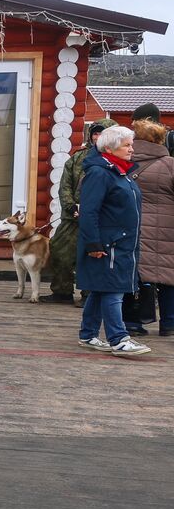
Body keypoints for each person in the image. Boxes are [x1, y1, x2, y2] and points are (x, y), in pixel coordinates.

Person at [75, 125, 149, 356]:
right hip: (109, 243)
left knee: (100, 288)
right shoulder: (100, 173)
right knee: (113, 290)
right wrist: (93, 243)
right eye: (126, 145)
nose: (131, 149)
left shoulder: (119, 171)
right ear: (109, 148)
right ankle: (119, 338)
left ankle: (88, 334)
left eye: (131, 144)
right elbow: (88, 211)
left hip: (122, 241)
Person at [42, 119, 116, 303]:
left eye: (102, 134)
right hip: (72, 218)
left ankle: (89, 296)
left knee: (93, 257)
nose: (97, 137)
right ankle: (61, 292)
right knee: (59, 251)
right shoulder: (77, 158)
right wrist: (71, 206)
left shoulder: (117, 160)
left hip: (100, 220)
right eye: (95, 133)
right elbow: (65, 186)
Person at [130, 119, 174, 336]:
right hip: (167, 229)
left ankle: (134, 322)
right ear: (159, 139)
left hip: (132, 225)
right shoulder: (170, 165)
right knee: (168, 275)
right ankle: (169, 323)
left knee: (136, 274)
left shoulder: (123, 161)